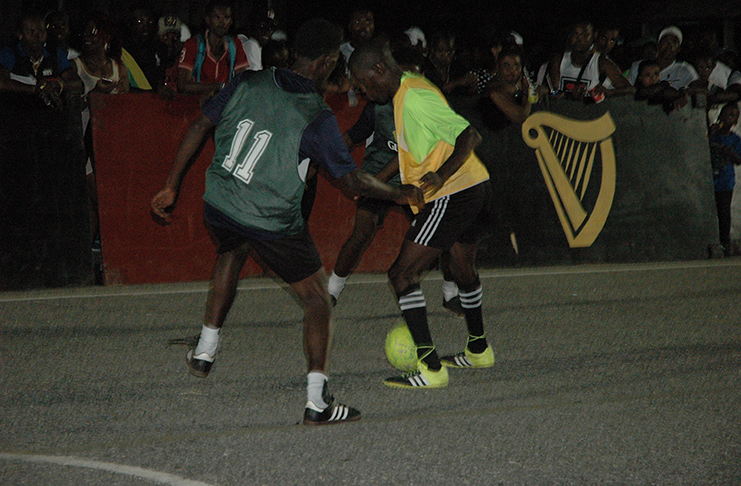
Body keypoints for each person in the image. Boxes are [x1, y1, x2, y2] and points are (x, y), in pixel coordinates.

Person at [150, 19, 423, 424]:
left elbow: (199, 125)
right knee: (317, 300)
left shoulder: (247, 81)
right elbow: (351, 181)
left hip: (220, 203)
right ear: (329, 61)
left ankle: (205, 351)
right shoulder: (316, 114)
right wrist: (398, 192)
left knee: (232, 249)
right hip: (269, 219)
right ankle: (318, 402)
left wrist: (171, 185)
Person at [349, 39, 495, 389]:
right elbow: (408, 153)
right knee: (461, 267)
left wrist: (441, 176)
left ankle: (431, 369)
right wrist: (374, 184)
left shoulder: (414, 97)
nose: (364, 93)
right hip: (475, 185)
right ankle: (478, 349)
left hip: (453, 191)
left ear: (379, 71)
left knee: (402, 275)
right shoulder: (409, 90)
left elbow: (469, 134)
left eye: (364, 84)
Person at [0, 12, 80, 108]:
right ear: (20, 34)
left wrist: (56, 84)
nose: (37, 37)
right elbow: (2, 82)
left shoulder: (54, 54)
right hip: (15, 112)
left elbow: (76, 82)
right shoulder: (9, 53)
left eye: (41, 32)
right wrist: (34, 90)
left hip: (47, 116)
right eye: (31, 32)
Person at [177, 0, 249, 100]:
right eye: (217, 17)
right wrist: (221, 87)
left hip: (224, 107)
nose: (222, 22)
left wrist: (221, 88)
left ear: (231, 21)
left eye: (226, 18)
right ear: (208, 20)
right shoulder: (193, 45)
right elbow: (183, 85)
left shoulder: (235, 45)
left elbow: (242, 82)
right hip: (196, 106)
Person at [546, 21, 631, 101]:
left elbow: (631, 90)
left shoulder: (602, 63)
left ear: (594, 36)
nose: (579, 39)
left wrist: (610, 93)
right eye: (576, 34)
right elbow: (554, 91)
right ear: (569, 35)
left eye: (584, 35)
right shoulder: (559, 59)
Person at [709, 103, 741, 256]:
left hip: (724, 181)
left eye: (731, 116)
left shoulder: (735, 140)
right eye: (725, 114)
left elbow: (739, 160)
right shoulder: (713, 134)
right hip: (709, 180)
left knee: (723, 212)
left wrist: (731, 153)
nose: (726, 119)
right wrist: (709, 132)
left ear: (735, 121)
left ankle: (725, 243)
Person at [626, 26, 698, 90]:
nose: (669, 46)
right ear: (658, 45)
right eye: (666, 42)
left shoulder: (686, 70)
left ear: (679, 49)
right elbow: (628, 91)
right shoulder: (638, 66)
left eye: (674, 43)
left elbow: (698, 88)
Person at [480, 45, 532, 130]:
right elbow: (520, 117)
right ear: (498, 67)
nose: (512, 70)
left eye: (516, 66)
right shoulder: (494, 91)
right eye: (506, 65)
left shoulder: (519, 86)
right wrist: (529, 95)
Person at [121, 1, 165, 91]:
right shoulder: (122, 50)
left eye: (150, 22)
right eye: (140, 21)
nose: (146, 27)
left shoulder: (159, 49)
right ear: (130, 24)